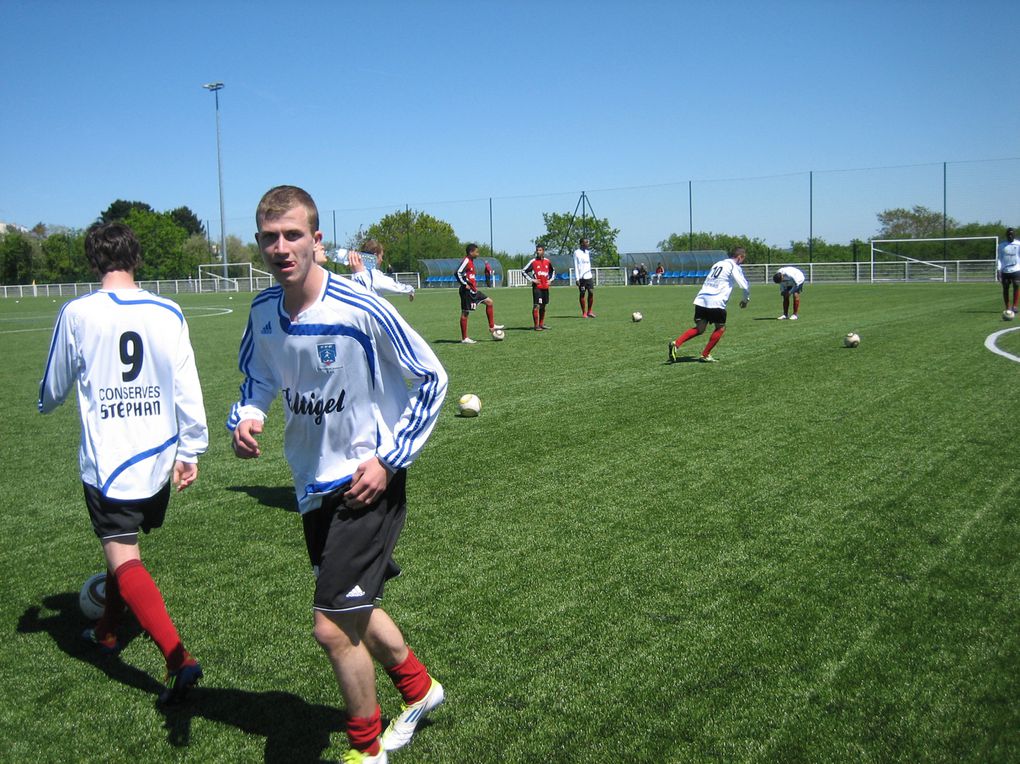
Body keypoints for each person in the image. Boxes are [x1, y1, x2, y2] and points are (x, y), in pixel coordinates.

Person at [230, 186, 448, 763]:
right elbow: (257, 375)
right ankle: (420, 690)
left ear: (317, 241)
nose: (281, 247)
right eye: (270, 237)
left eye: (293, 235)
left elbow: (432, 377)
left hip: (366, 479)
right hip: (310, 483)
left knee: (331, 626)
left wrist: (390, 458)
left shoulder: (361, 307)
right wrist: (248, 414)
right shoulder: (262, 312)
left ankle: (366, 750)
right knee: (357, 605)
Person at [37, 222, 208, 704]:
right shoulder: (168, 310)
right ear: (136, 258)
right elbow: (186, 384)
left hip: (109, 460)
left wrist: (45, 403)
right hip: (158, 457)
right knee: (121, 548)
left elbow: (54, 386)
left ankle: (179, 659)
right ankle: (110, 631)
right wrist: (190, 448)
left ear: (94, 261)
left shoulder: (79, 312)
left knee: (122, 553)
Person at [667, 246, 750, 363]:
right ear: (740, 257)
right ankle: (705, 355)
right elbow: (744, 285)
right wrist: (745, 300)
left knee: (700, 328)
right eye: (743, 259)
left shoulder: (718, 264)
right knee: (720, 328)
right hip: (716, 301)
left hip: (702, 298)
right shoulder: (733, 266)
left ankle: (676, 343)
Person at [315, 239, 415, 302]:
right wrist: (410, 289)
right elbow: (394, 285)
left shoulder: (356, 271)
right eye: (381, 256)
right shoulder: (372, 274)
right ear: (375, 256)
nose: (382, 260)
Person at [456, 243, 503, 343]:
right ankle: (464, 338)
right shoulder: (466, 261)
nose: (478, 253)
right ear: (471, 252)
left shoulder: (471, 261)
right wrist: (464, 284)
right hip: (466, 291)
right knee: (465, 312)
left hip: (473, 290)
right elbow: (457, 272)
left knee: (489, 302)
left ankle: (492, 326)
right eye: (476, 252)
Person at [522, 244, 555, 330]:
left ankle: (541, 324)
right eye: (537, 250)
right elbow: (524, 271)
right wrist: (532, 280)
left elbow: (553, 271)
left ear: (543, 251)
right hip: (537, 287)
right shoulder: (533, 262)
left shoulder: (547, 261)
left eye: (540, 250)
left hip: (545, 287)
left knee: (544, 306)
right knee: (536, 305)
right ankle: (536, 326)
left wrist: (550, 280)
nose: (538, 252)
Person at [996, 227, 1020, 314]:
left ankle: (1015, 306)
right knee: (1005, 288)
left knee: (1016, 285)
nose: (1010, 236)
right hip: (1005, 269)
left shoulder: (1018, 244)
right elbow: (999, 258)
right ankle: (1007, 306)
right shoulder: (1001, 245)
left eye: (1012, 234)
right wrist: (998, 269)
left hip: (1016, 269)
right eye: (1009, 234)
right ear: (1006, 235)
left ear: (1014, 235)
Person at [573, 237, 596, 317]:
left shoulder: (587, 252)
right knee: (582, 294)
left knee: (591, 292)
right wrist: (577, 278)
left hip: (589, 276)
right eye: (586, 242)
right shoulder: (576, 252)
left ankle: (590, 311)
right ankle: (584, 312)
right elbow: (576, 265)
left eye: (588, 242)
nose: (588, 244)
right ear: (582, 243)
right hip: (581, 277)